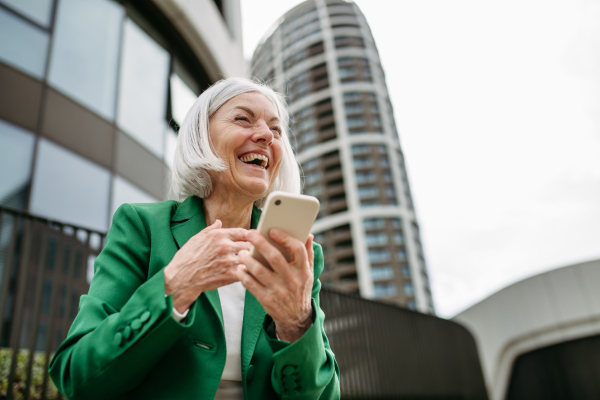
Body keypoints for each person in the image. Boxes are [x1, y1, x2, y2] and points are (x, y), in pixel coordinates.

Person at [49, 78, 340, 400]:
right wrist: (176, 286)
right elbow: (77, 376)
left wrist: (297, 323)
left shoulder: (295, 252)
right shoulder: (142, 226)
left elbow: (323, 395)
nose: (266, 136)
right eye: (243, 119)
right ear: (201, 137)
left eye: (276, 129)